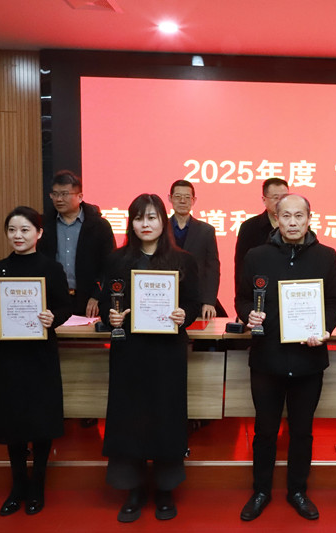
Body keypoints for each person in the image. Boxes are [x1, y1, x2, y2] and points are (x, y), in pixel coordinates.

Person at [235, 194, 336, 522]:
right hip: (267, 358)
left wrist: (324, 327)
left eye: (299, 216)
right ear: (276, 219)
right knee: (265, 431)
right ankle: (261, 491)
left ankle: (298, 491)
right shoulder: (257, 256)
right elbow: (242, 298)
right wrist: (248, 315)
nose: (293, 222)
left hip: (308, 358)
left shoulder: (326, 256)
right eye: (286, 216)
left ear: (309, 218)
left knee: (302, 431)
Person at [99, 193, 201, 523]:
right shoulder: (116, 260)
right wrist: (111, 317)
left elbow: (194, 303)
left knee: (165, 417)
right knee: (130, 418)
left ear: (162, 221)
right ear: (131, 223)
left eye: (152, 217)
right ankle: (133, 490)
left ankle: (165, 489)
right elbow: (106, 303)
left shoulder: (183, 260)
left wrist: (184, 314)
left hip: (167, 353)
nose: (146, 224)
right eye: (139, 218)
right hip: (129, 351)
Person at [0, 206, 72, 516]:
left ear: (39, 233)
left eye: (25, 229)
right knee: (13, 422)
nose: (18, 235)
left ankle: (37, 487)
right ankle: (17, 487)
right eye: (12, 230)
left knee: (40, 422)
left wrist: (53, 317)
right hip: (8, 356)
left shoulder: (51, 268)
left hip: (40, 356)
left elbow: (65, 307)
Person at [38, 170, 115, 317]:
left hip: (89, 301)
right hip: (52, 301)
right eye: (55, 194)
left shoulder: (99, 226)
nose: (58, 199)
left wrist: (97, 296)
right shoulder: (44, 225)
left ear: (79, 197)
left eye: (64, 194)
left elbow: (110, 266)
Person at [168, 179, 226, 319]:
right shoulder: (160, 229)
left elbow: (212, 268)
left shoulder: (206, 231)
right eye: (178, 196)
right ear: (170, 199)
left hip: (196, 298)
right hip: (166, 295)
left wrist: (209, 301)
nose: (182, 201)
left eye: (187, 197)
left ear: (194, 200)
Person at [233, 177, 289, 302]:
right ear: (264, 200)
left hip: (290, 294)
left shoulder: (297, 226)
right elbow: (241, 267)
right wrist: (242, 302)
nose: (281, 202)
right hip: (261, 294)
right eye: (276, 197)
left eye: (284, 197)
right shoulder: (250, 227)